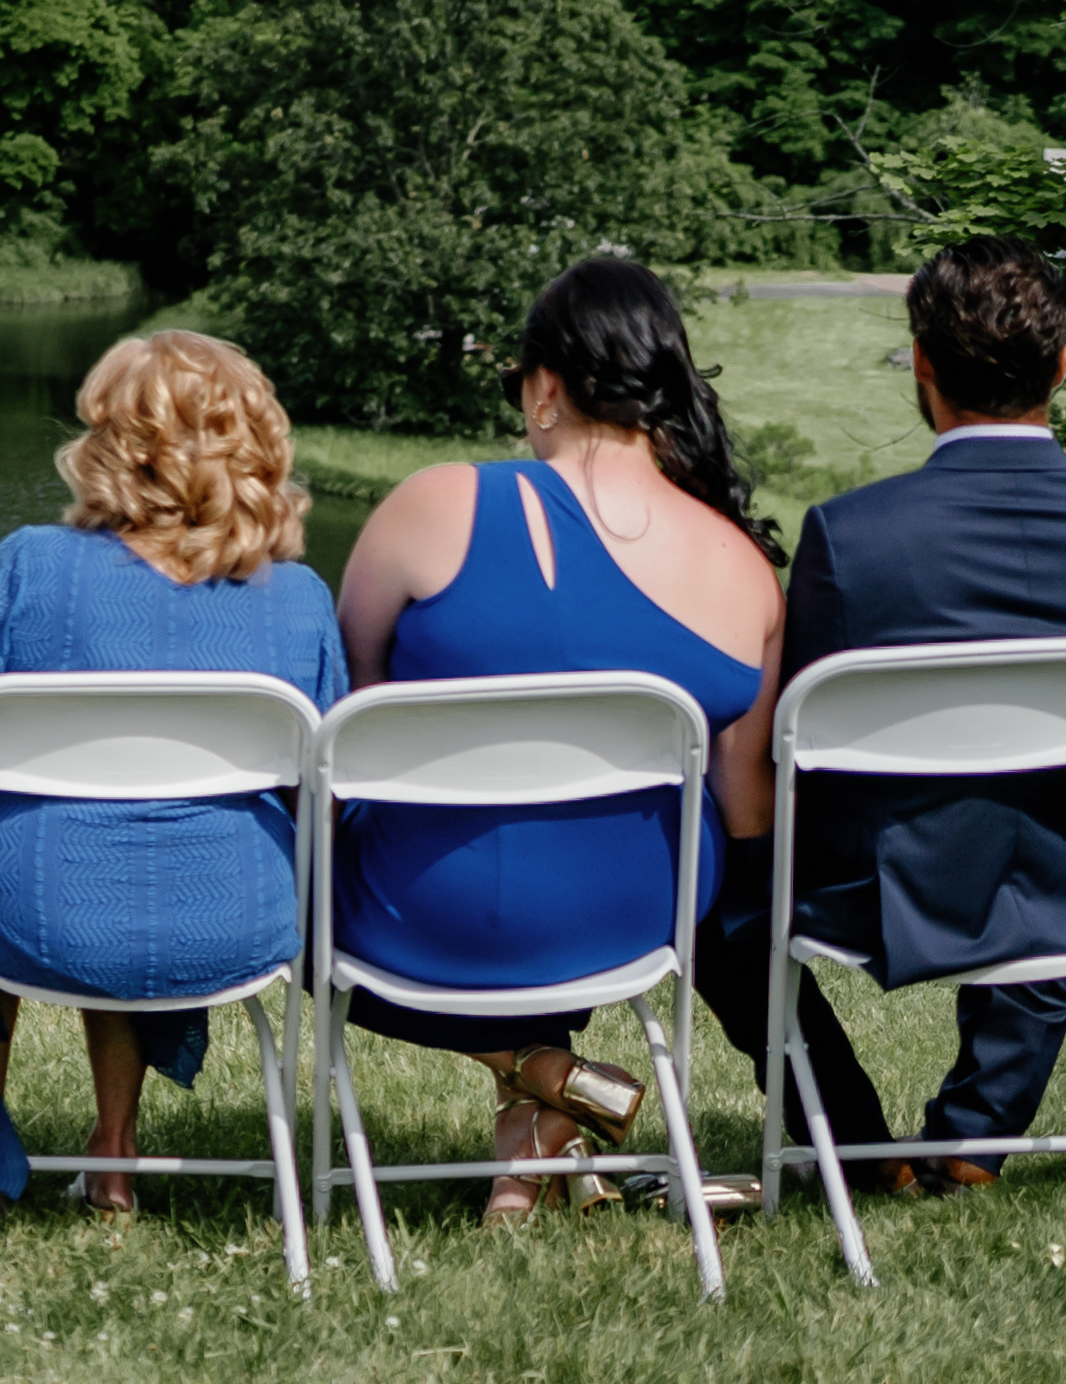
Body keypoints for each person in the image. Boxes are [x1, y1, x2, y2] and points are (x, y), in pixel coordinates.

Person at [707, 240, 1066, 1193]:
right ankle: (974, 1130)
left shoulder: (854, 535)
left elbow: (800, 734)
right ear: (1062, 362)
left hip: (874, 887)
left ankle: (845, 1134)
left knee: (717, 905)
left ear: (921, 363)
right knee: (1034, 811)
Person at [329, 253, 781, 1221]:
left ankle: (544, 1072)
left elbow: (348, 729)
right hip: (642, 914)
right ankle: (527, 1151)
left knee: (309, 873)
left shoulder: (437, 508)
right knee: (551, 836)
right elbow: (745, 816)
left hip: (420, 914)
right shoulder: (746, 572)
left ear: (544, 390)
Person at [0, 328, 352, 1211]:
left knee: (25, 837)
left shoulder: (28, 564)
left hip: (31, 911)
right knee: (123, 832)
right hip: (235, 914)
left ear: (110, 440)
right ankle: (114, 1150)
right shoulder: (300, 597)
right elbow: (326, 783)